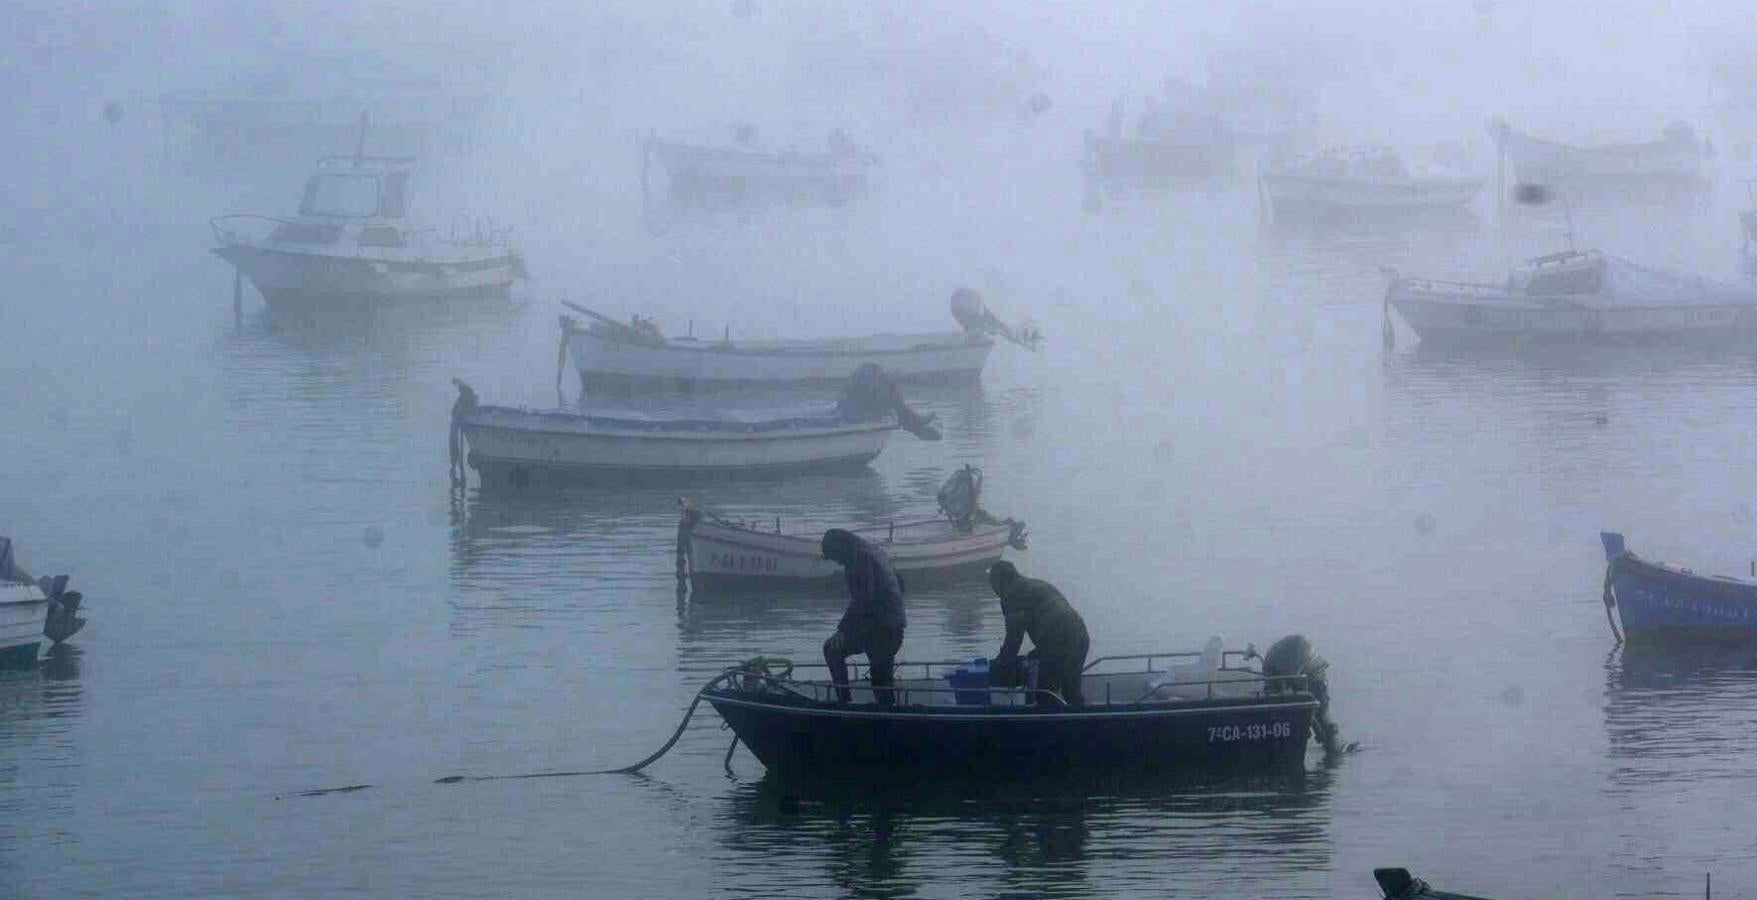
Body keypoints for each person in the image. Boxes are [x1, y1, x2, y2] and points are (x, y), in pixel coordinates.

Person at [820, 529, 906, 705]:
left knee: (832, 649)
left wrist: (842, 630)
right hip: (890, 625)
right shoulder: (874, 551)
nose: (837, 562)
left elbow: (864, 599)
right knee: (882, 680)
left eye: (834, 556)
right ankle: (888, 713)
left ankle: (844, 703)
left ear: (840, 548)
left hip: (881, 629)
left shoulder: (858, 558)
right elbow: (900, 583)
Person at [987, 561, 1089, 706]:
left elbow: (1014, 638)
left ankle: (1045, 727)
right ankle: (1083, 724)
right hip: (1080, 634)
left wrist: (999, 664)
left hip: (1057, 639)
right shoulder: (1036, 584)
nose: (994, 590)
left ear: (999, 582)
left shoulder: (1011, 594)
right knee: (1071, 692)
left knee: (1045, 694)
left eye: (993, 584)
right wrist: (1036, 653)